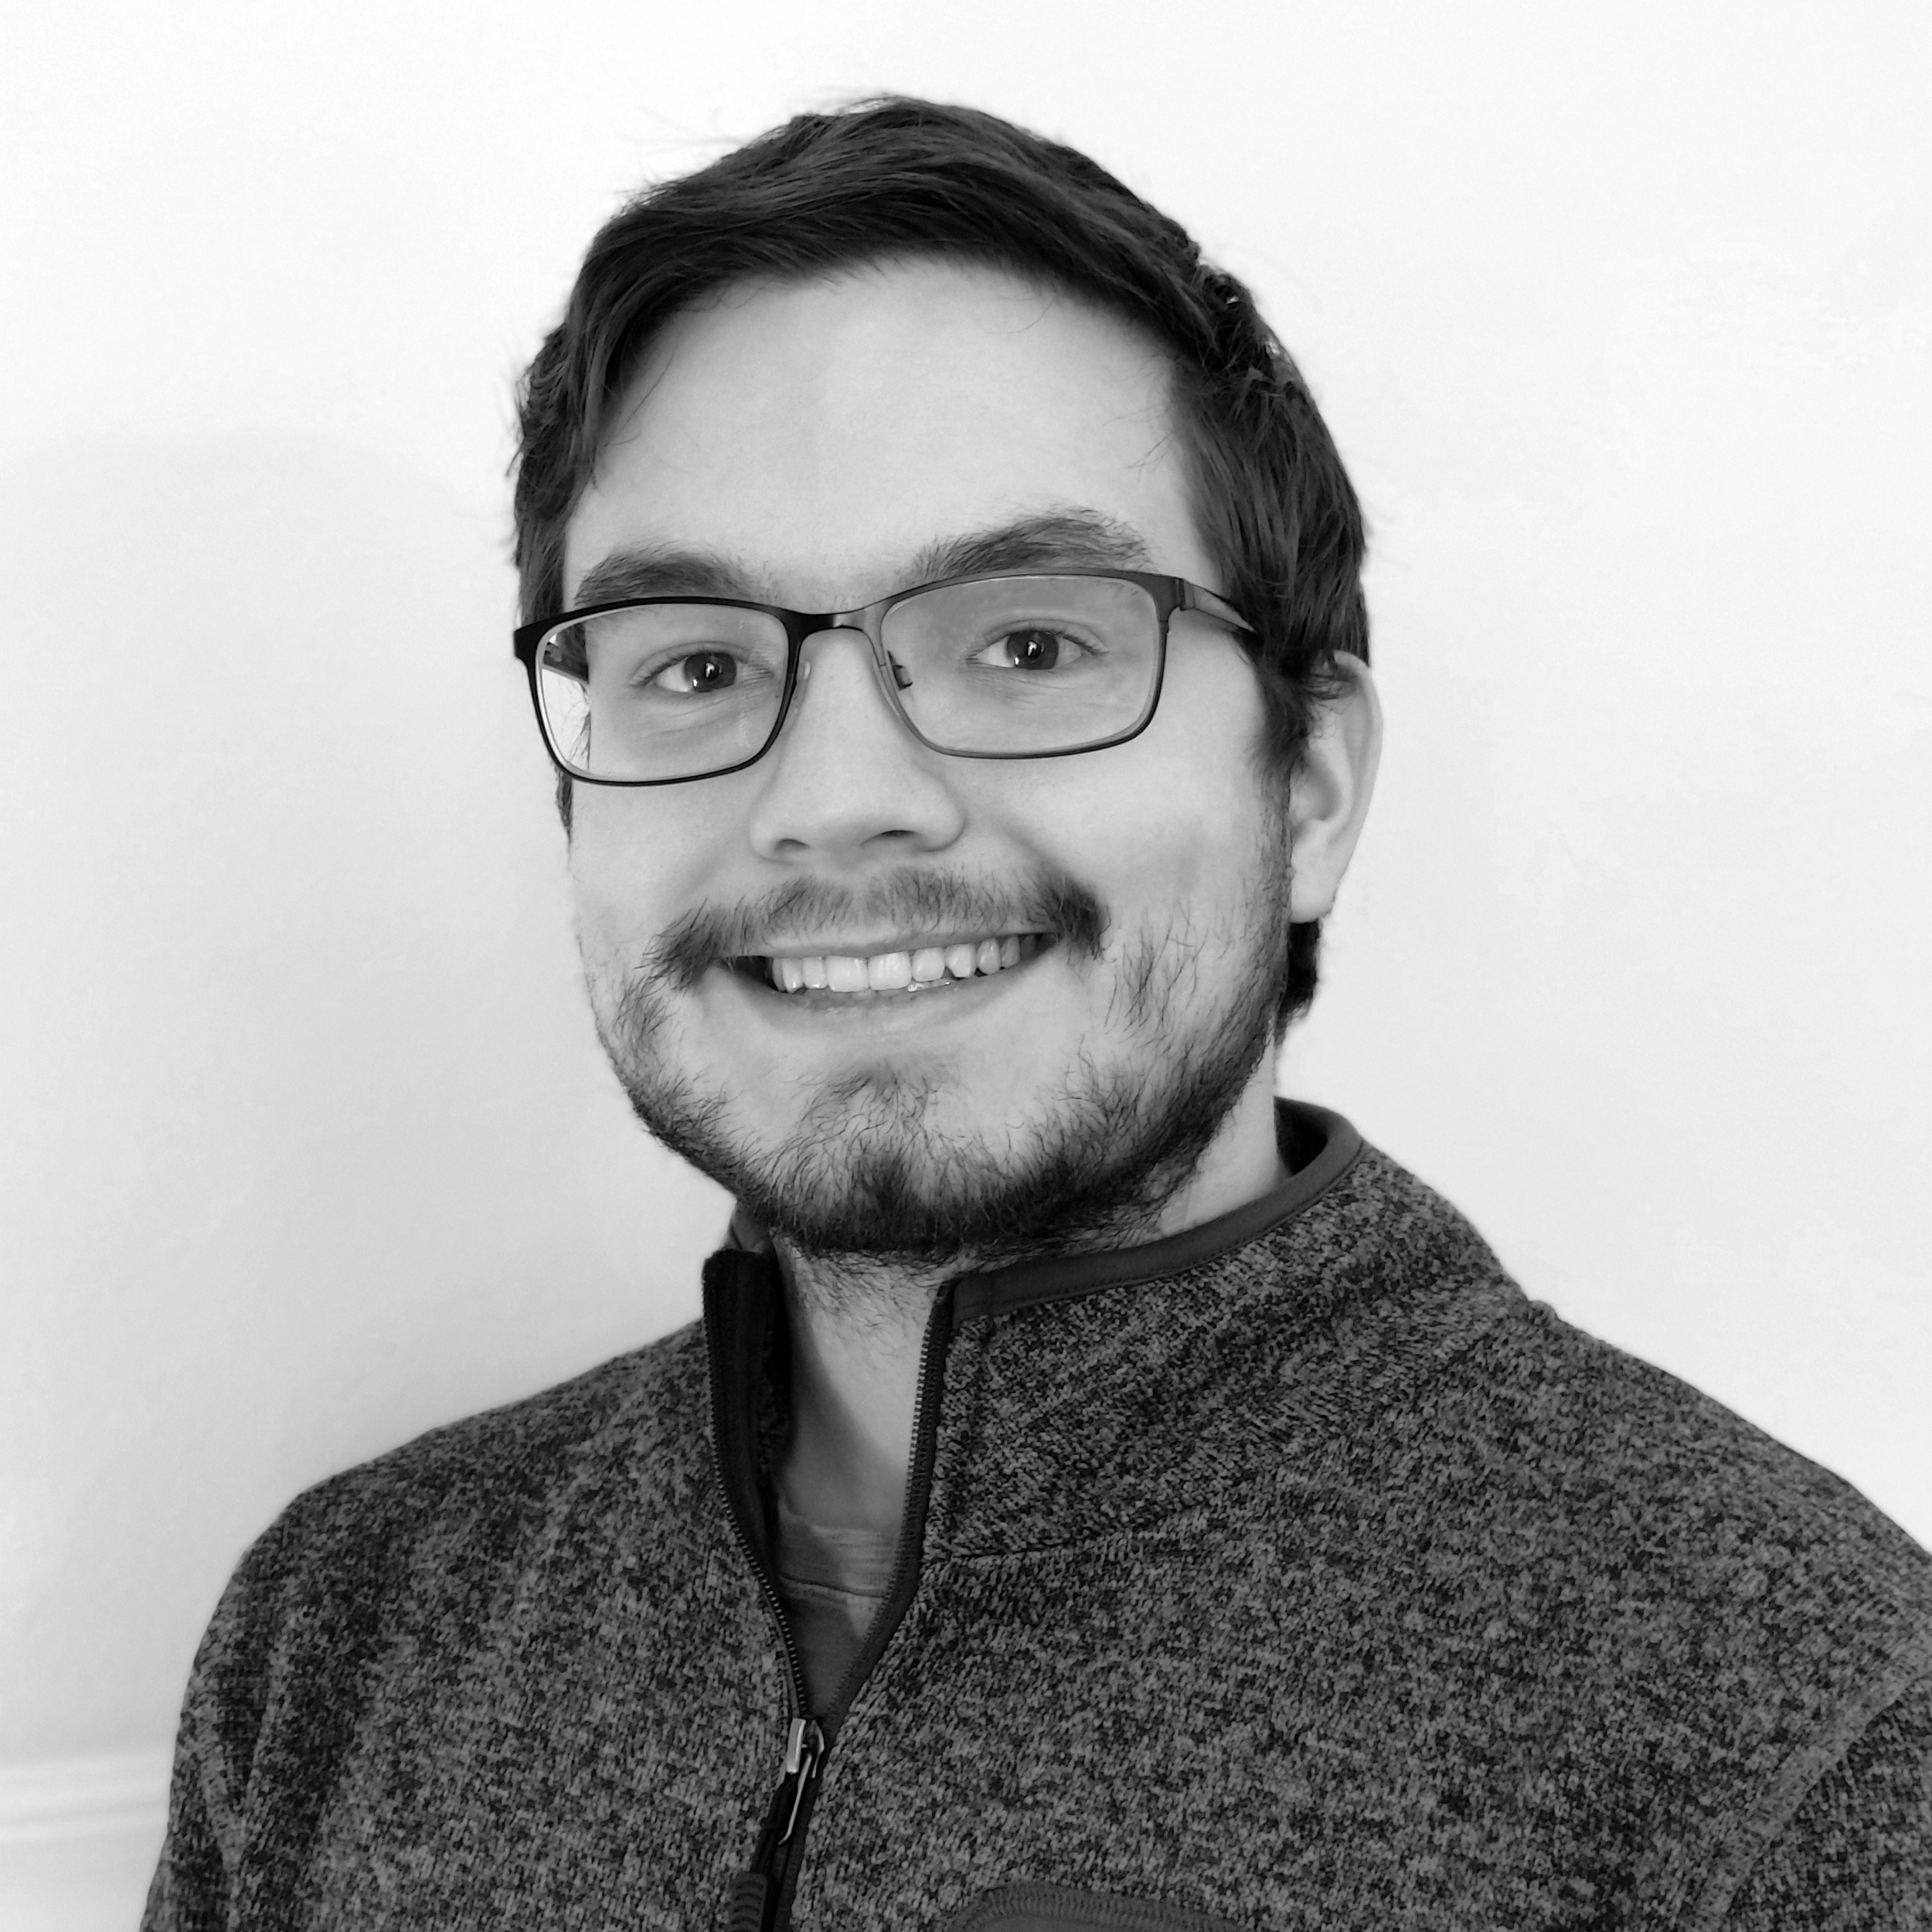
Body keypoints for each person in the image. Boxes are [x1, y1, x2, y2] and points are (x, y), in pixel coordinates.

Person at [144, 97, 1931, 1932]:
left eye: (1027, 641)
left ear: (1304, 784)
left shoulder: (1796, 1722)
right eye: (693, 660)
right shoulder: (343, 1631)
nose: (835, 795)